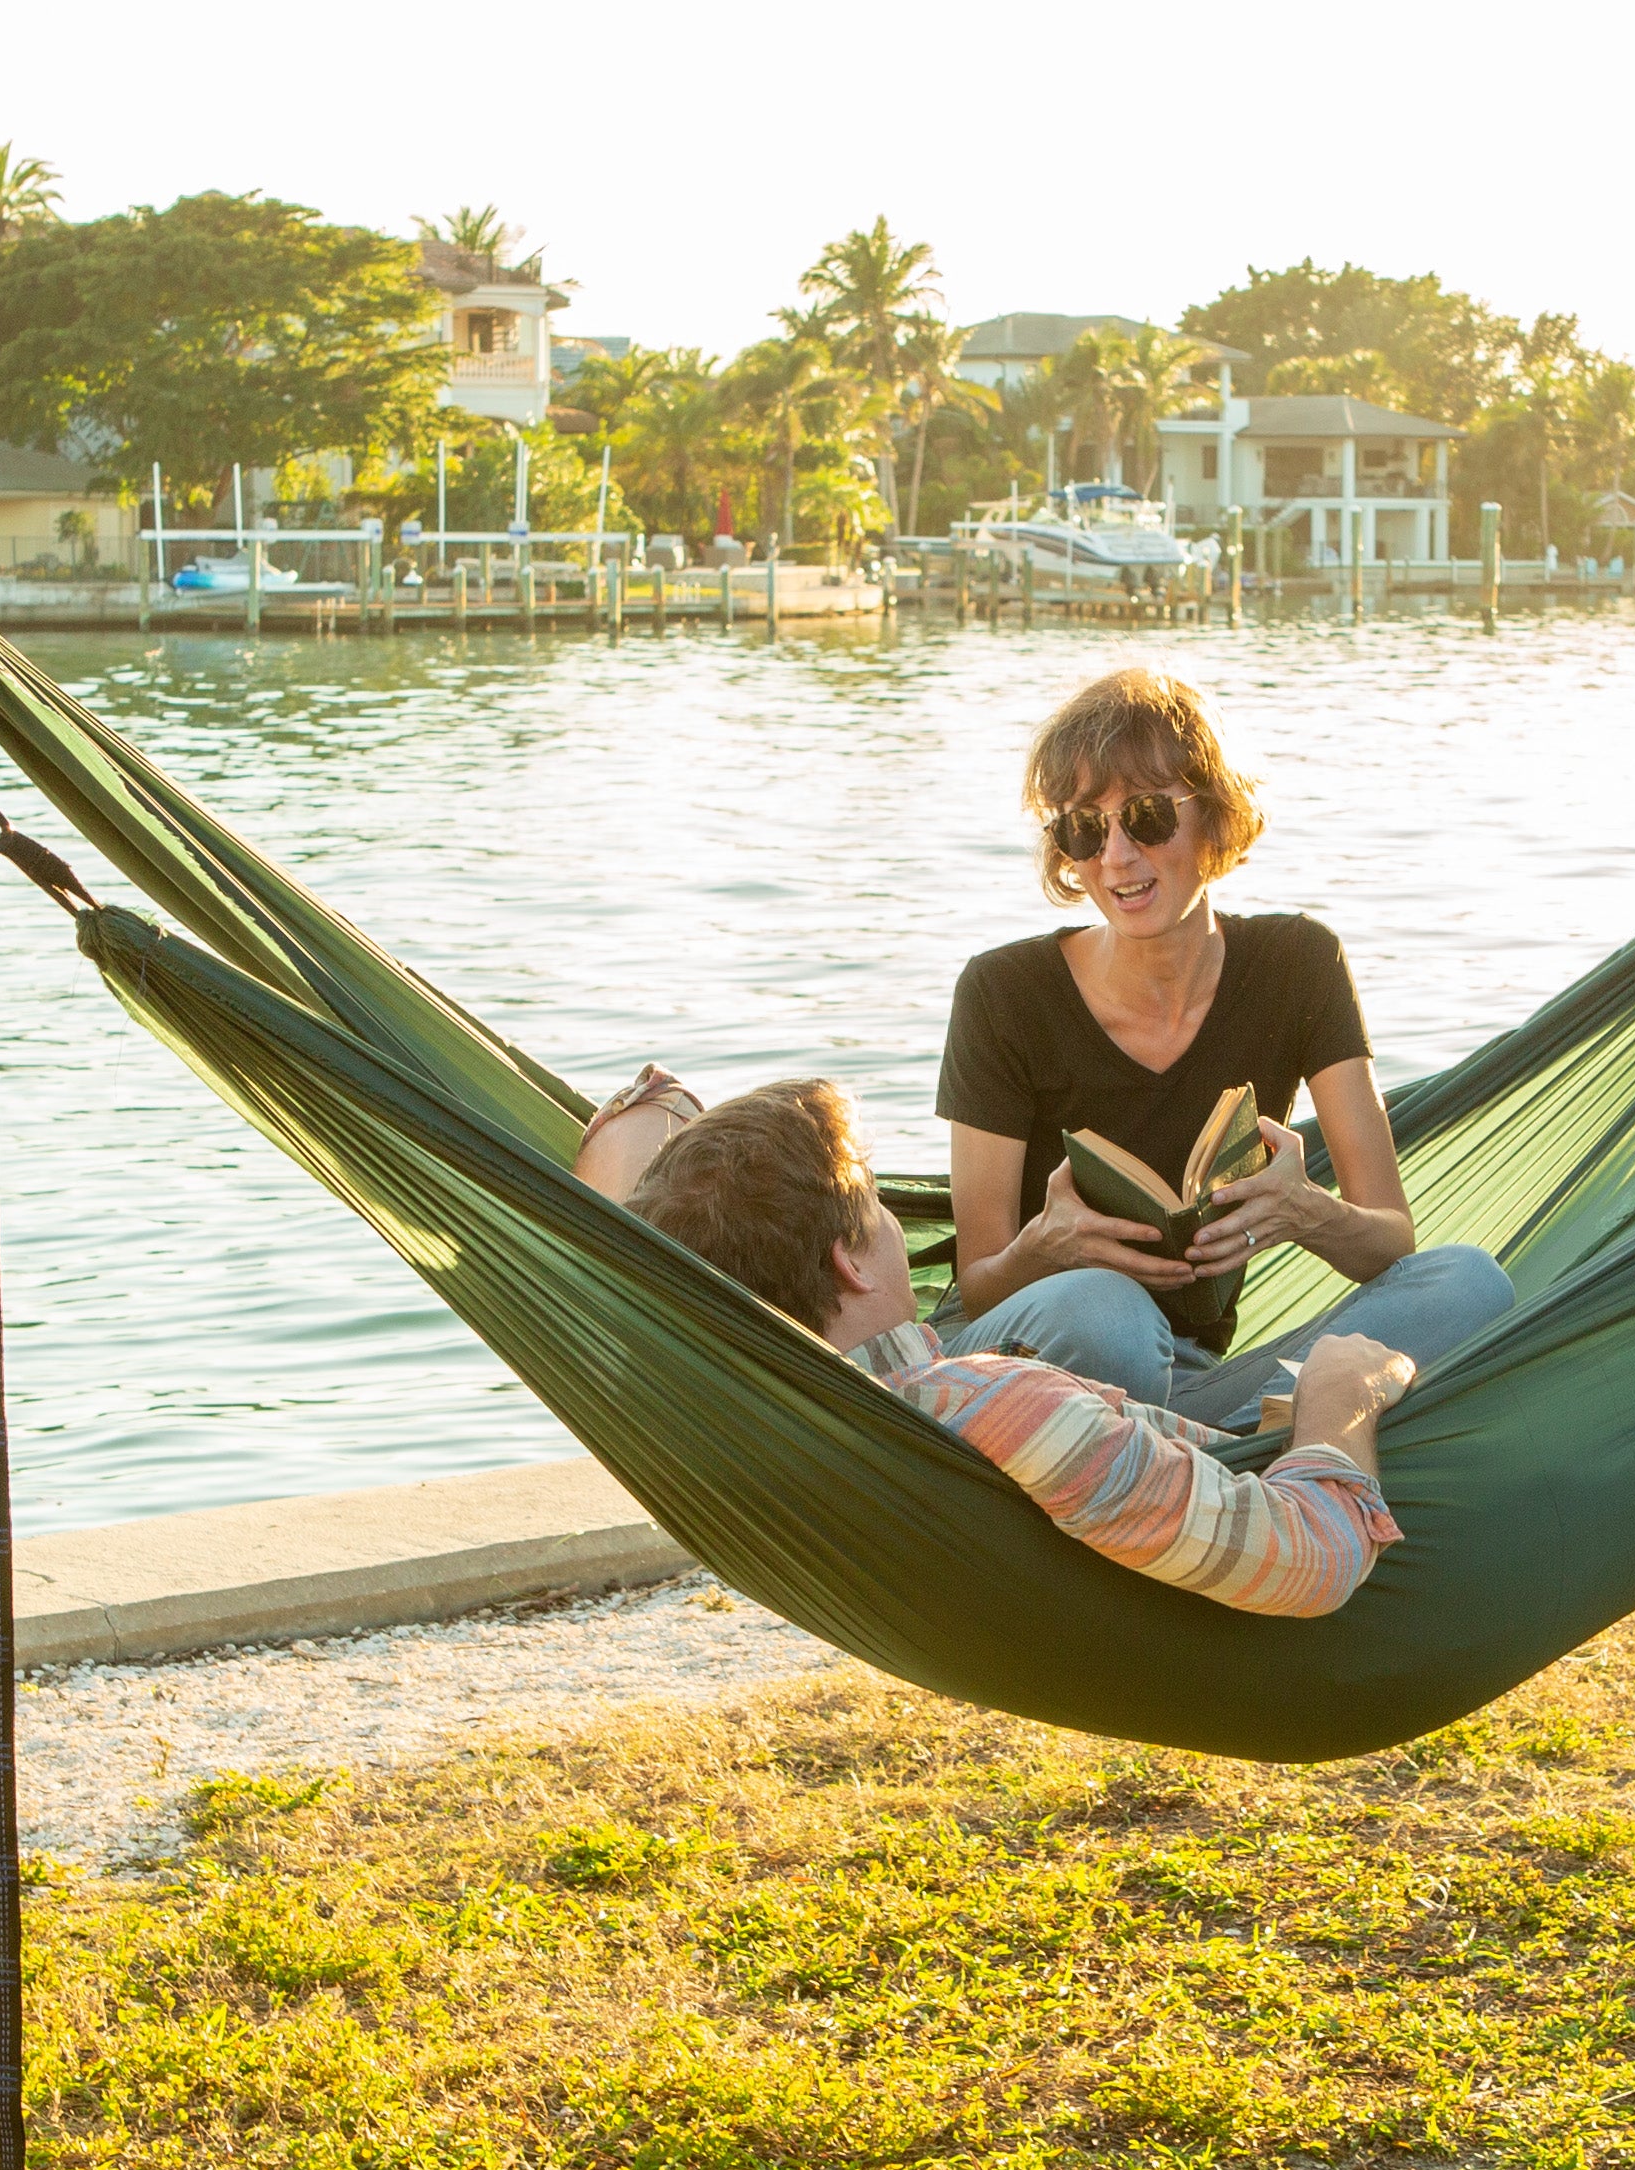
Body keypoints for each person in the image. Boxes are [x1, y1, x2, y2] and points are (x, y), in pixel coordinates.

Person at [934, 666, 1509, 1427]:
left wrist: (1306, 1213)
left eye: (1145, 816)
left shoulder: (1300, 963)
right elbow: (980, 1286)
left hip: (1191, 1384)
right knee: (1110, 1318)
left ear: (1213, 813)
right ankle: (1256, 1445)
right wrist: (1048, 1249)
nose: (1115, 857)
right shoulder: (1001, 992)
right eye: (1082, 827)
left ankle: (1197, 1457)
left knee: (1469, 1284)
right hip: (1037, 1365)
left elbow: (1389, 1238)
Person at [623, 1077, 1413, 1615]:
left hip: (1147, 1491)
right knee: (1464, 1283)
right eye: (881, 1209)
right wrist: (1341, 1397)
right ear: (851, 1262)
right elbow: (1315, 1563)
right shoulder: (996, 1405)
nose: (902, 1229)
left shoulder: (747, 1420)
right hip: (1271, 1506)